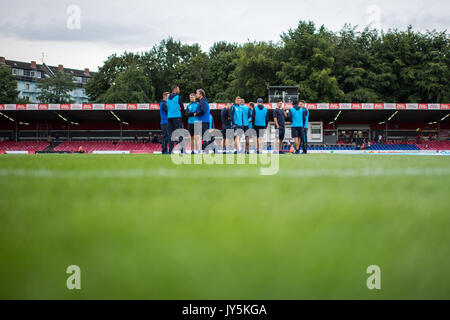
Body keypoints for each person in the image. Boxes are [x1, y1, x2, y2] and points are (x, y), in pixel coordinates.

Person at [167, 85, 185, 153]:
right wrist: (179, 108)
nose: (179, 90)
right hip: (177, 116)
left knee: (170, 134)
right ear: (175, 89)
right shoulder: (178, 97)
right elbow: (182, 108)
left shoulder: (168, 98)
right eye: (178, 89)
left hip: (169, 117)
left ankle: (171, 150)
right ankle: (182, 150)